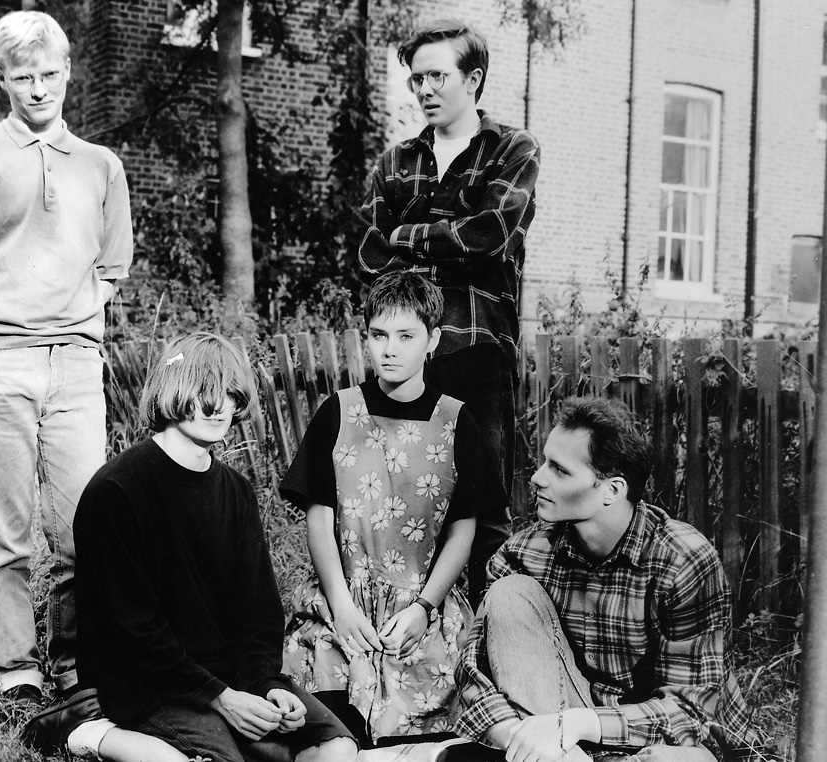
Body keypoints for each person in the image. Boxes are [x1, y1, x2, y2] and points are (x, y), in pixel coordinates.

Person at [0, 10, 133, 705]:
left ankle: (74, 664)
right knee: (4, 534)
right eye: (22, 77)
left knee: (84, 530)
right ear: (1, 80)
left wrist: (66, 320)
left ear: (68, 71)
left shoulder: (102, 166)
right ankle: (16, 669)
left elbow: (111, 265)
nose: (38, 88)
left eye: (48, 73)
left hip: (75, 366)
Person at [71, 333, 359, 762]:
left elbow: (258, 612)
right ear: (172, 390)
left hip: (228, 679)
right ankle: (96, 735)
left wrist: (268, 686)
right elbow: (132, 630)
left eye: (230, 393)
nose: (218, 406)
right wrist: (221, 699)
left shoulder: (237, 491)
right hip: (147, 684)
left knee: (336, 749)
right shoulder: (116, 490)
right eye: (204, 391)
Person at [452, 397, 760, 761]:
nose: (537, 478)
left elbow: (689, 711)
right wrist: (524, 737)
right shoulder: (523, 554)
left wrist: (575, 724)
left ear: (612, 490)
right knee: (509, 593)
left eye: (559, 470)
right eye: (545, 462)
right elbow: (474, 673)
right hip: (566, 742)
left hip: (661, 741)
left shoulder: (682, 560)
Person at [358, 20, 541, 606]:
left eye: (438, 75)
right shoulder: (395, 162)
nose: (425, 89)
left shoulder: (512, 150)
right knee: (398, 499)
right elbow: (369, 254)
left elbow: (489, 235)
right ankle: (403, 635)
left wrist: (406, 236)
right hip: (404, 356)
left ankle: (487, 638)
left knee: (483, 509)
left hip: (477, 349)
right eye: (417, 79)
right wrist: (443, 240)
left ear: (474, 78)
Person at [282, 271, 484, 745]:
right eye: (379, 335)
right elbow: (319, 517)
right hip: (342, 601)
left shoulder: (457, 421)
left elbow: (463, 530)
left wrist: (424, 607)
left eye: (406, 336)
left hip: (420, 611)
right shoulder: (338, 411)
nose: (390, 350)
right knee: (329, 728)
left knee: (427, 733)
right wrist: (340, 605)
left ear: (433, 340)